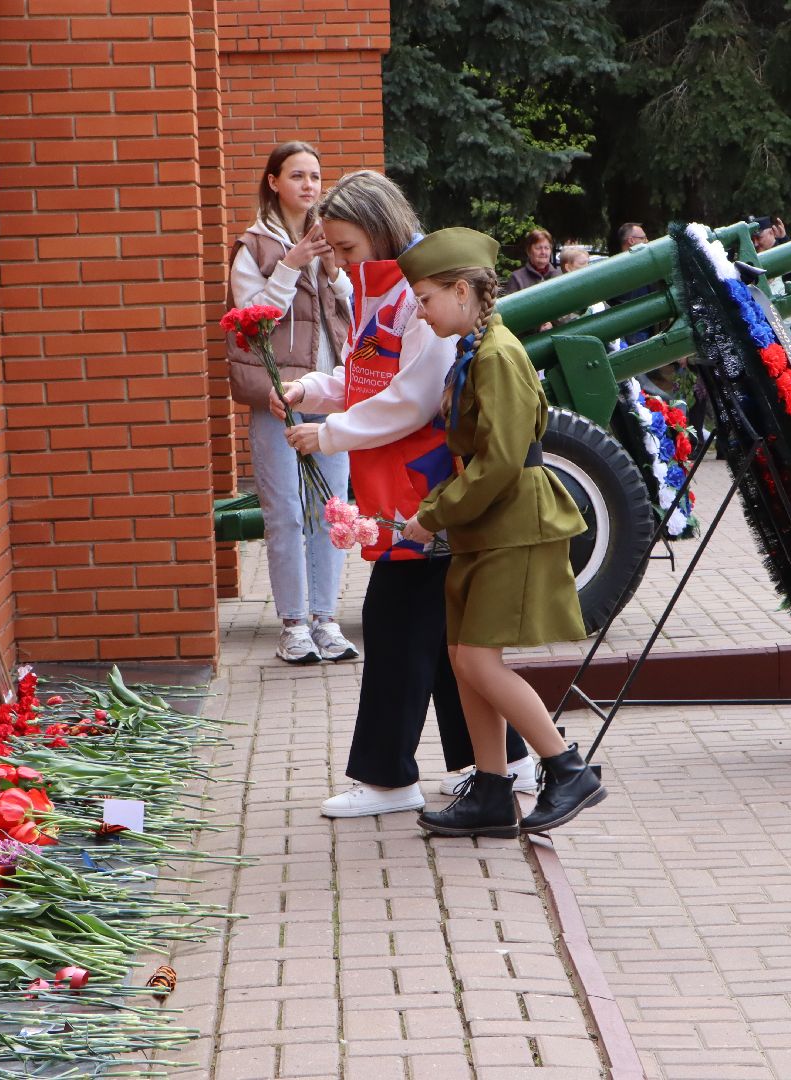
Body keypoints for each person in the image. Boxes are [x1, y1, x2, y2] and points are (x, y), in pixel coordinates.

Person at [271, 172, 535, 819]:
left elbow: (413, 395)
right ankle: (504, 764)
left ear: (380, 230)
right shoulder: (383, 287)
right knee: (435, 633)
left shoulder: (417, 291)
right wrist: (314, 389)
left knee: (397, 626)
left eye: (347, 247)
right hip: (403, 481)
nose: (339, 261)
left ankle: (394, 778)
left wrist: (329, 431)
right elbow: (368, 375)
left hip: (424, 483)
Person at [396, 227, 606, 838]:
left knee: (478, 661)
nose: (420, 310)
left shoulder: (496, 355)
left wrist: (433, 514)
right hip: (487, 524)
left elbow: (502, 460)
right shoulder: (476, 347)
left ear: (461, 291)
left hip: (513, 523)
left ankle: (567, 769)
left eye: (426, 298)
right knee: (463, 659)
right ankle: (491, 790)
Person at [227, 141, 357, 666]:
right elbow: (250, 318)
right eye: (297, 175)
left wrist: (331, 270)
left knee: (332, 509)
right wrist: (289, 265)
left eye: (315, 176)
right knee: (284, 513)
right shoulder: (254, 245)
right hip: (277, 396)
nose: (309, 185)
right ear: (273, 182)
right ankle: (294, 626)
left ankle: (326, 620)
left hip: (331, 391)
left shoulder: (331, 238)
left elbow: (355, 309)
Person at [503, 227, 561, 294]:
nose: (543, 252)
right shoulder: (517, 278)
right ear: (528, 251)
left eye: (547, 248)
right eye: (538, 248)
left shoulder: (559, 276)